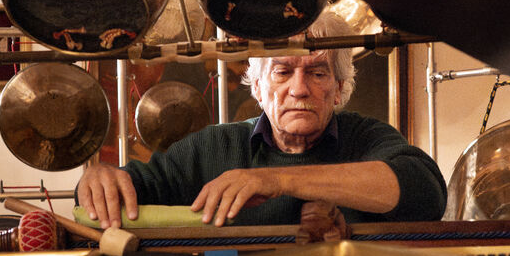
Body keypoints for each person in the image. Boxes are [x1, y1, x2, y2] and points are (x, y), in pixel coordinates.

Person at [76, 20, 447, 228]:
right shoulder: (212, 148)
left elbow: (426, 192)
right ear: (256, 86)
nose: (298, 89)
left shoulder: (366, 138)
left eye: (317, 73)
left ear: (339, 89)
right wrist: (99, 179)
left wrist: (277, 180)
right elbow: (129, 190)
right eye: (283, 72)